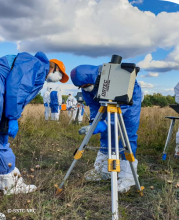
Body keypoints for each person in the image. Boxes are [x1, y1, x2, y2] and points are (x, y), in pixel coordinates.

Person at [0, 52, 68, 195]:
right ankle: (9, 183)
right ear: (54, 67)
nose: (57, 80)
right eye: (60, 76)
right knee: (1, 140)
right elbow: (17, 88)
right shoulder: (35, 65)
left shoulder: (33, 66)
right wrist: (12, 117)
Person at [70, 64, 142, 193]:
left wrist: (105, 123)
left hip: (130, 102)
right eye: (81, 87)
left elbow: (123, 106)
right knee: (106, 133)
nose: (85, 89)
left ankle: (128, 177)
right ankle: (103, 170)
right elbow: (93, 105)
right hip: (106, 102)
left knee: (127, 135)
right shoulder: (87, 89)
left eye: (86, 86)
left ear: (95, 78)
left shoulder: (116, 78)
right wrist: (94, 122)